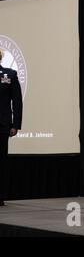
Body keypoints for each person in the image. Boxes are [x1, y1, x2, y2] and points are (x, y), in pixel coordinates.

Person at [0, 49, 23, 207]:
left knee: (1, 161)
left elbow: (17, 101)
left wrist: (16, 124)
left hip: (2, 125)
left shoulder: (9, 75)